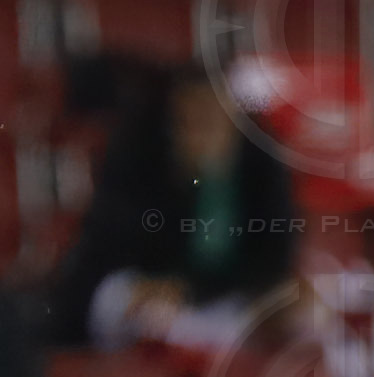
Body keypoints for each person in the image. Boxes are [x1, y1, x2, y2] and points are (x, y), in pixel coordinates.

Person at [49, 61, 300, 358]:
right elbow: (113, 243)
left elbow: (275, 257)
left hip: (226, 299)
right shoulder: (140, 152)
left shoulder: (262, 164)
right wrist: (188, 184)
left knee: (304, 314)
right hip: (149, 288)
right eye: (187, 120)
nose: (198, 130)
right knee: (145, 312)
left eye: (210, 118)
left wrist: (199, 290)